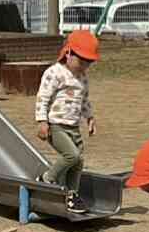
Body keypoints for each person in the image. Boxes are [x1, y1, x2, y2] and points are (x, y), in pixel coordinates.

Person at [35, 29, 100, 213]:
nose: (84, 67)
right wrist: (42, 122)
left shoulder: (82, 78)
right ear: (69, 53)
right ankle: (47, 178)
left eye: (88, 64)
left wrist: (90, 118)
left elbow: (84, 100)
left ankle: (71, 194)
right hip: (56, 125)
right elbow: (43, 97)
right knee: (72, 156)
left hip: (73, 126)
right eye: (81, 62)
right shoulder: (54, 73)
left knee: (78, 162)